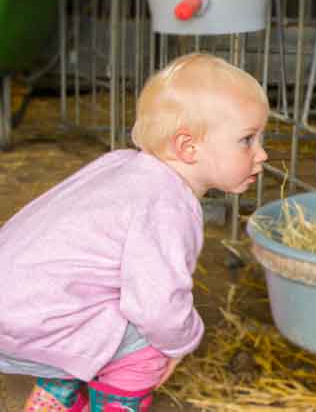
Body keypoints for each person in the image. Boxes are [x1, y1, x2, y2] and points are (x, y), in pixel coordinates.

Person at [0, 53, 269, 411]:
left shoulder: (121, 164)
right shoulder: (166, 205)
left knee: (96, 295)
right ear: (188, 147)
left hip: (19, 305)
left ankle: (55, 396)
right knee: (150, 343)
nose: (262, 154)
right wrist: (183, 342)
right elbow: (158, 308)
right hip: (35, 323)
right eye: (248, 140)